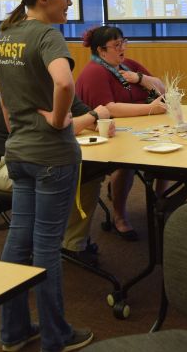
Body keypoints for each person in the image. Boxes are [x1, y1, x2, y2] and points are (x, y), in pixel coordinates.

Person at [0, 0, 93, 352]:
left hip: (18, 152)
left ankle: (13, 332)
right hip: (52, 156)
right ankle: (57, 337)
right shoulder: (47, 35)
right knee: (47, 248)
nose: (70, 3)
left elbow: (3, 99)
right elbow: (65, 84)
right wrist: (55, 118)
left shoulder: (5, 37)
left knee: (18, 244)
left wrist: (22, 128)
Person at [0, 97, 114, 266]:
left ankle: (73, 245)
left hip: (37, 157)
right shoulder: (25, 90)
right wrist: (93, 116)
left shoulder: (56, 87)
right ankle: (39, 257)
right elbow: (51, 130)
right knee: (62, 173)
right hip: (6, 165)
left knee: (89, 175)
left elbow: (80, 117)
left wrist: (96, 122)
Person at [75, 25, 167, 241]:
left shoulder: (127, 66)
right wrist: (150, 108)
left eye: (123, 42)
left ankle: (161, 201)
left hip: (138, 129)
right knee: (126, 166)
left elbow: (162, 89)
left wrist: (140, 78)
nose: (122, 48)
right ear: (101, 51)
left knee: (166, 150)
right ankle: (119, 217)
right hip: (107, 135)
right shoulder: (94, 72)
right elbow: (109, 109)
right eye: (116, 45)